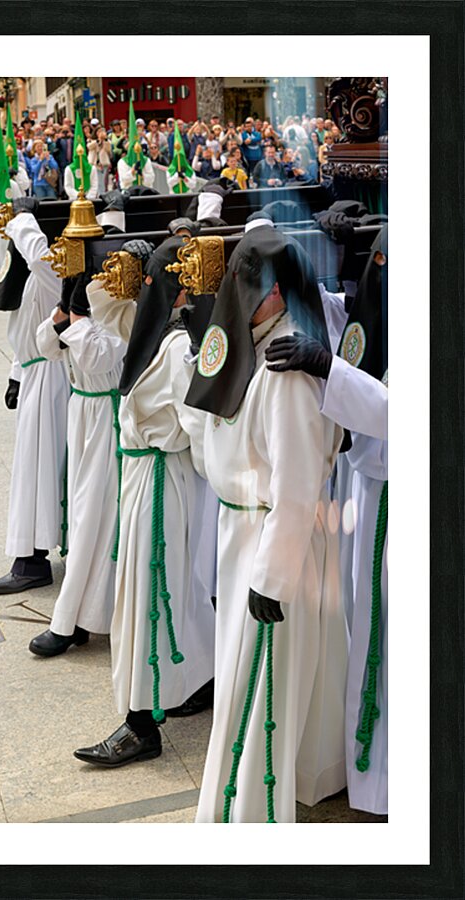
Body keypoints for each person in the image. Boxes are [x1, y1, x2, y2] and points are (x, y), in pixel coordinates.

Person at [187, 218, 347, 823]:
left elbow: (298, 487)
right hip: (241, 530)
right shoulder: (252, 344)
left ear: (277, 292)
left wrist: (272, 577)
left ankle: (246, 806)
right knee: (261, 668)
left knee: (257, 680)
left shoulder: (286, 366)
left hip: (271, 539)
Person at [74, 236, 216, 767]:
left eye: (152, 280)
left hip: (160, 481)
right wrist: (121, 267)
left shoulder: (177, 349)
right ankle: (200, 678)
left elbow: (198, 423)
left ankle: (141, 724)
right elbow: (103, 305)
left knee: (148, 595)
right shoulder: (151, 330)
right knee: (170, 589)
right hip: (144, 475)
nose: (143, 290)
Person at [265, 227, 389, 815]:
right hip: (367, 484)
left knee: (387, 632)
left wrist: (330, 370)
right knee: (365, 624)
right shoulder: (375, 295)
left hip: (400, 491)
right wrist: (332, 269)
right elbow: (348, 321)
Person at [29, 268, 128, 656]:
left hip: (107, 420)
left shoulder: (124, 305)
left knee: (95, 520)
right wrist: (64, 307)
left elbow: (96, 358)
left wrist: (79, 313)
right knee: (83, 518)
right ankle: (83, 615)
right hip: (83, 414)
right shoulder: (81, 304)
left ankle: (72, 619)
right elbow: (46, 346)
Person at [0, 200, 70, 594]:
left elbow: (41, 259)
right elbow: (22, 329)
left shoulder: (54, 273)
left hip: (51, 379)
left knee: (37, 471)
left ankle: (32, 560)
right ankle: (31, 554)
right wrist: (15, 373)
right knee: (33, 470)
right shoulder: (34, 279)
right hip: (35, 374)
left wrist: (21, 220)